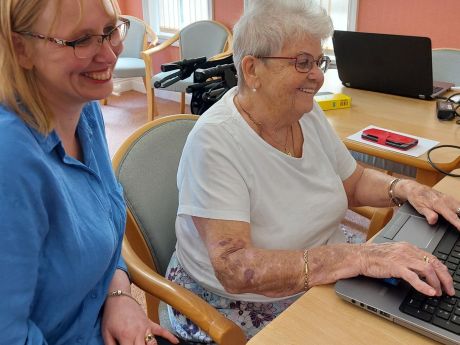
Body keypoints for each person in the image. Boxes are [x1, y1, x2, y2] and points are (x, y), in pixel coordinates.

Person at [164, 0, 460, 342]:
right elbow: (236, 269)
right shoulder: (215, 142)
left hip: (323, 270)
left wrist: (406, 188)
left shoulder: (303, 111)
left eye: (319, 61)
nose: (318, 76)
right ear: (252, 69)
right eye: (302, 63)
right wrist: (359, 257)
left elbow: (354, 181)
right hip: (242, 302)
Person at [0, 1, 179, 345]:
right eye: (81, 40)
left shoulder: (83, 110)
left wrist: (118, 294)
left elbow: (105, 239)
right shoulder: (12, 161)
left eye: (111, 30)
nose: (111, 55)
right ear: (21, 48)